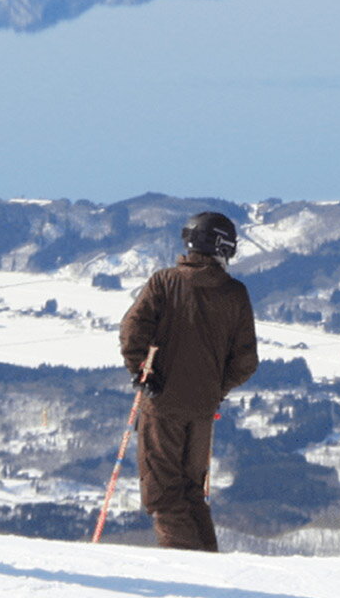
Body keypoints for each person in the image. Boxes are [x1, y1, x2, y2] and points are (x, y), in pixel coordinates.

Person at [120, 211, 258, 551]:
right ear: (221, 247)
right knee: (191, 493)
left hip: (161, 402)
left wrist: (143, 372)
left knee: (164, 496)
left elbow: (131, 331)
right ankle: (210, 572)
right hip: (203, 410)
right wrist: (216, 387)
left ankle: (192, 578)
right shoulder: (235, 293)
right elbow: (246, 361)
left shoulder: (164, 282)